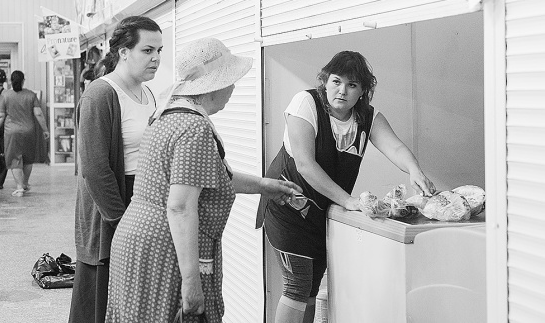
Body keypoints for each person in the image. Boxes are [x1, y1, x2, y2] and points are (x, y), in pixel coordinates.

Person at [105, 38, 301, 323]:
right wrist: (191, 280)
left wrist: (264, 186)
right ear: (214, 86)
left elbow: (205, 178)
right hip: (165, 247)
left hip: (138, 239)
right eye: (231, 81)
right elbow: (180, 207)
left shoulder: (167, 115)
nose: (233, 89)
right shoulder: (194, 127)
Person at [256, 50, 437, 323]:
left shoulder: (367, 117)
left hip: (321, 213)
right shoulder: (305, 104)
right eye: (336, 81)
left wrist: (414, 169)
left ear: (363, 91)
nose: (342, 91)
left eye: (352, 85)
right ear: (325, 80)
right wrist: (348, 201)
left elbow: (395, 148)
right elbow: (305, 164)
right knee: (297, 285)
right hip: (287, 208)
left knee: (311, 288)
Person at [68, 16, 163, 323]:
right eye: (147, 50)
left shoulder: (148, 94)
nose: (156, 58)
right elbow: (95, 168)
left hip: (143, 206)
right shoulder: (101, 94)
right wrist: (121, 222)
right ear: (123, 52)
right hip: (112, 208)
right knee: (105, 301)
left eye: (159, 50)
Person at [0, 70, 50, 197]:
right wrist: (45, 129)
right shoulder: (31, 95)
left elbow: (0, 116)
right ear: (23, 81)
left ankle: (19, 187)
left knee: (14, 159)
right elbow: (39, 114)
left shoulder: (6, 96)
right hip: (29, 132)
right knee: (28, 159)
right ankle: (25, 183)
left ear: (10, 81)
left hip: (11, 133)